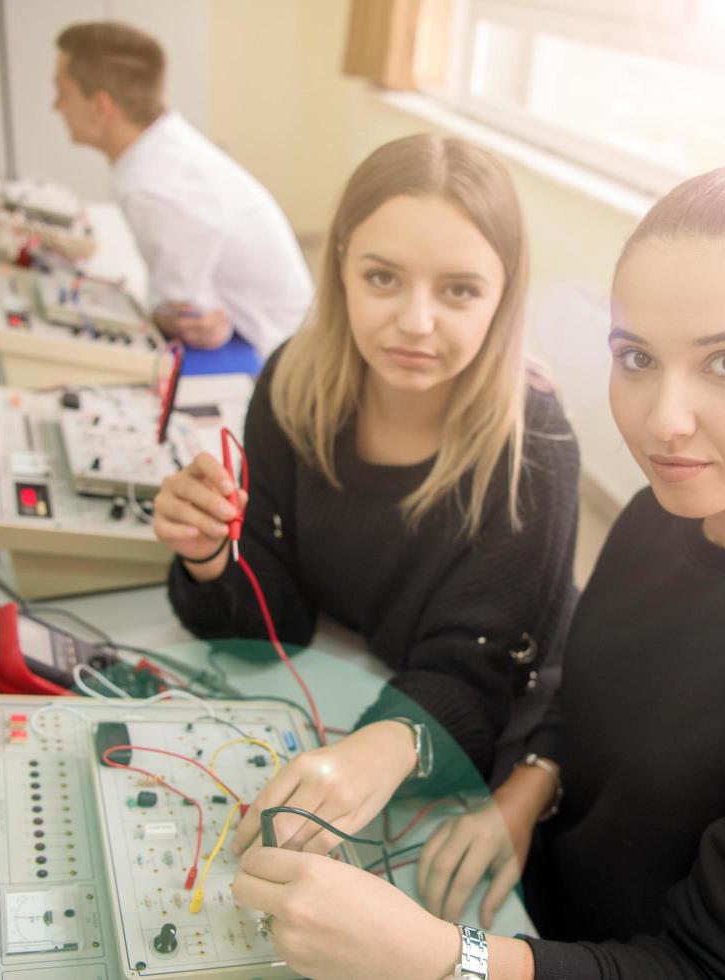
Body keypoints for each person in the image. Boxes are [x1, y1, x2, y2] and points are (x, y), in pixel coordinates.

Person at [230, 160, 725, 980]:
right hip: (546, 924)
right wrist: (529, 790)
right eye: (637, 357)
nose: (664, 419)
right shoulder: (664, 515)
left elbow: (720, 970)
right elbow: (579, 691)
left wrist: (447, 961)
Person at [153, 134, 581, 858]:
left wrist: (383, 747)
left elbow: (479, 677)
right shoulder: (294, 384)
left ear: (504, 294)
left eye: (459, 290)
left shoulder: (533, 449)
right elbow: (274, 622)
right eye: (383, 278)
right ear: (342, 265)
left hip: (501, 735)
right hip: (359, 680)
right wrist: (213, 560)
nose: (416, 322)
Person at [53, 21, 313, 369]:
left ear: (101, 105)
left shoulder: (152, 188)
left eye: (63, 91)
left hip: (271, 350)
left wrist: (160, 314)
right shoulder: (161, 143)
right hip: (280, 322)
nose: (56, 105)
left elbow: (189, 321)